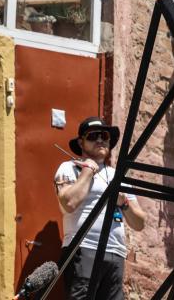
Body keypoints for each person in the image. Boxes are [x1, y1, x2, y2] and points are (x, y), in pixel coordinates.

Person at [55, 117, 147, 300]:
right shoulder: (70, 168)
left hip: (115, 253)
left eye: (104, 135)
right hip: (84, 248)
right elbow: (69, 203)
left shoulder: (118, 176)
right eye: (93, 136)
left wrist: (124, 203)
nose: (100, 140)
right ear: (81, 142)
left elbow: (140, 222)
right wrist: (88, 171)